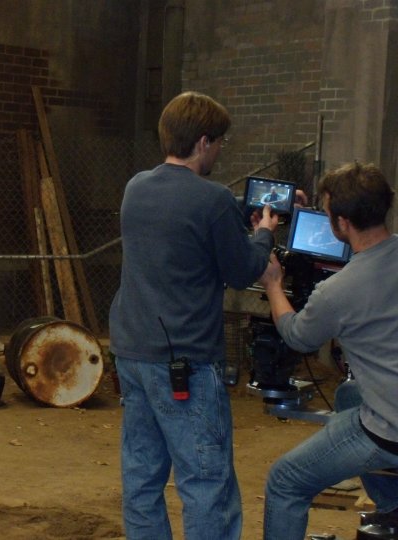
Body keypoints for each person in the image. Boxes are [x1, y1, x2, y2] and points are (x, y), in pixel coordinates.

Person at [109, 91, 279, 540]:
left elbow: (185, 211)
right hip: (184, 361)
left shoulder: (136, 187)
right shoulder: (213, 200)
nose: (220, 150)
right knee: (205, 482)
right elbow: (242, 270)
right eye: (219, 142)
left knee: (142, 477)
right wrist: (264, 234)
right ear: (204, 141)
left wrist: (244, 212)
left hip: (133, 351)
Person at [259, 161, 398, 540]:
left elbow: (298, 336)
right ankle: (393, 507)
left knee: (285, 480)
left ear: (341, 224)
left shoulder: (337, 292)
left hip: (391, 429)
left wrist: (273, 286)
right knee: (348, 394)